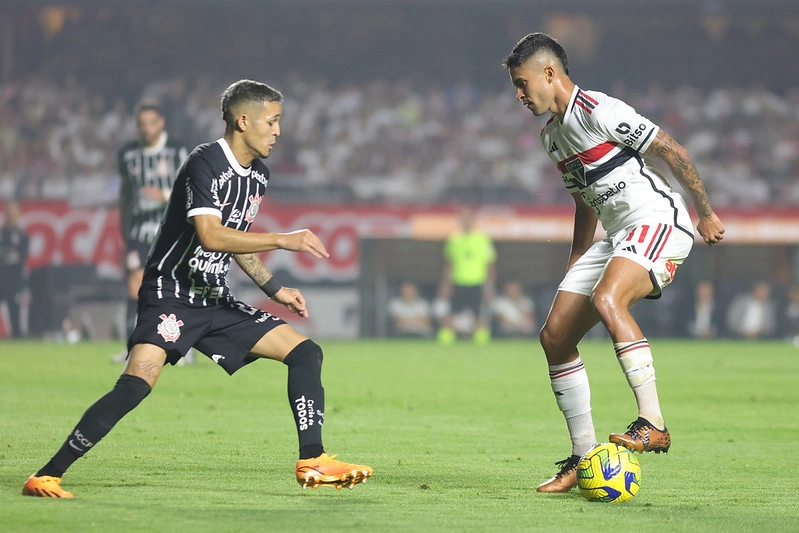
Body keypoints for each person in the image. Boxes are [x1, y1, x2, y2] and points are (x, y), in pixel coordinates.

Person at [22, 79, 373, 498]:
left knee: (305, 352)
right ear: (244, 120)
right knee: (135, 385)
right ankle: (46, 474)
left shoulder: (257, 176)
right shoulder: (204, 162)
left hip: (213, 297)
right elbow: (210, 234)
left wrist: (274, 287)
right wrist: (283, 238)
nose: (278, 131)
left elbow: (235, 237)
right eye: (273, 121)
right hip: (170, 294)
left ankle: (312, 460)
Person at [502, 33, 725, 493]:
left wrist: (705, 211)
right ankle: (582, 460)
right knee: (555, 337)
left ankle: (653, 421)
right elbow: (586, 203)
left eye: (523, 84)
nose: (519, 96)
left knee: (608, 299)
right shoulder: (552, 137)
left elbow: (671, 150)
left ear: (550, 73)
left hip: (658, 220)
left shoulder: (600, 110)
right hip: (617, 234)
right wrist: (576, 260)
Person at [113, 99, 190, 363]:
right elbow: (125, 195)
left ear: (161, 124)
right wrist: (125, 231)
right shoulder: (128, 156)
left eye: (151, 123)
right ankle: (133, 346)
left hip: (172, 234)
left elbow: (192, 189)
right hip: (139, 233)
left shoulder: (179, 152)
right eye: (141, 124)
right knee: (135, 285)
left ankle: (180, 348)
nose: (146, 129)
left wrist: (164, 195)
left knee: (176, 288)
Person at [435, 207, 496, 344]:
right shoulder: (453, 240)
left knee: (479, 315)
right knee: (451, 313)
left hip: (477, 281)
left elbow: (490, 265)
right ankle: (445, 343)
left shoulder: (482, 240)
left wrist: (489, 286)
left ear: (474, 221)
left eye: (469, 219)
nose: (466, 221)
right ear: (460, 221)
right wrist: (446, 284)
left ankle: (482, 342)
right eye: (464, 219)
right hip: (458, 281)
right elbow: (449, 264)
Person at [0, 201, 29, 338]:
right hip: (1, 277)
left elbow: (21, 257)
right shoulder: (1, 234)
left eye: (13, 212)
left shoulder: (22, 236)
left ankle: (17, 336)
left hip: (14, 280)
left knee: (14, 309)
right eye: (8, 212)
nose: (11, 215)